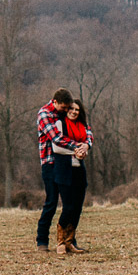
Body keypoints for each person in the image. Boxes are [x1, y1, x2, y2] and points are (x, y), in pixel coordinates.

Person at [35, 88, 90, 253]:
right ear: (55, 102)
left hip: (66, 163)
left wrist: (86, 145)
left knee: (70, 204)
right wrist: (77, 148)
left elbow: (84, 130)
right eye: (64, 108)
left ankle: (69, 240)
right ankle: (42, 241)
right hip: (50, 162)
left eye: (69, 108)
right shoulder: (45, 114)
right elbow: (56, 138)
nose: (67, 111)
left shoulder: (64, 114)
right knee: (51, 202)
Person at [56, 99, 92, 253]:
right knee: (68, 206)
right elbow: (57, 147)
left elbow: (87, 143)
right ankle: (60, 242)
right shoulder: (60, 124)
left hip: (79, 170)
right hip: (64, 169)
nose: (74, 112)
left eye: (77, 110)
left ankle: (70, 242)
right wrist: (75, 151)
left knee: (77, 207)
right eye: (71, 109)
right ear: (66, 110)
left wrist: (85, 149)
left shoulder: (83, 127)